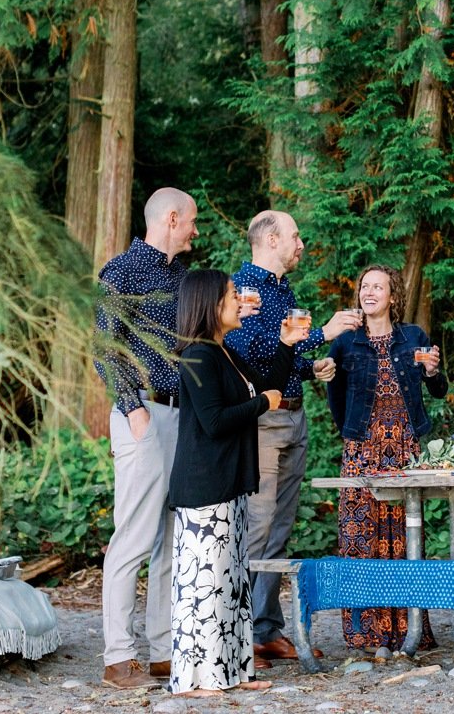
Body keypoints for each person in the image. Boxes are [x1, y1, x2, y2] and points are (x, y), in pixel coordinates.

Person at [224, 210, 361, 665]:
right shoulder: (245, 289)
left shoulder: (284, 289)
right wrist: (324, 333)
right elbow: (254, 353)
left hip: (295, 417)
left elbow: (283, 358)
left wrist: (311, 366)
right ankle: (236, 634)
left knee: (279, 530)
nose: (301, 244)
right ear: (270, 239)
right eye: (295, 236)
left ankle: (266, 631)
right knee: (256, 529)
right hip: (263, 423)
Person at [166, 269, 302, 696]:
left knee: (230, 583)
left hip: (231, 482)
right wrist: (262, 403)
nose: (239, 302)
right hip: (205, 484)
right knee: (203, 587)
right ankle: (196, 680)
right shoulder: (197, 355)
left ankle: (231, 672)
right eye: (231, 295)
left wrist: (285, 345)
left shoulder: (224, 352)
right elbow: (214, 421)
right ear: (211, 304)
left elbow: (267, 387)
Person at [94, 187, 198, 689]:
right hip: (143, 413)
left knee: (171, 540)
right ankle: (118, 658)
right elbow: (104, 349)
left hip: (181, 417)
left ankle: (161, 650)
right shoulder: (121, 272)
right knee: (132, 536)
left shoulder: (182, 278)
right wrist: (133, 411)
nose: (196, 232)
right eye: (191, 222)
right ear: (171, 219)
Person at [326, 264, 447, 653]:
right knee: (360, 535)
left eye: (378, 287)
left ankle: (410, 628)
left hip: (405, 451)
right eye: (364, 286)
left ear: (393, 296)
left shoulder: (413, 336)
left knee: (407, 537)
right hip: (362, 449)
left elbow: (439, 388)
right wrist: (354, 434)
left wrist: (432, 371)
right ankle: (365, 632)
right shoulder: (345, 340)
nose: (369, 292)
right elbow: (334, 395)